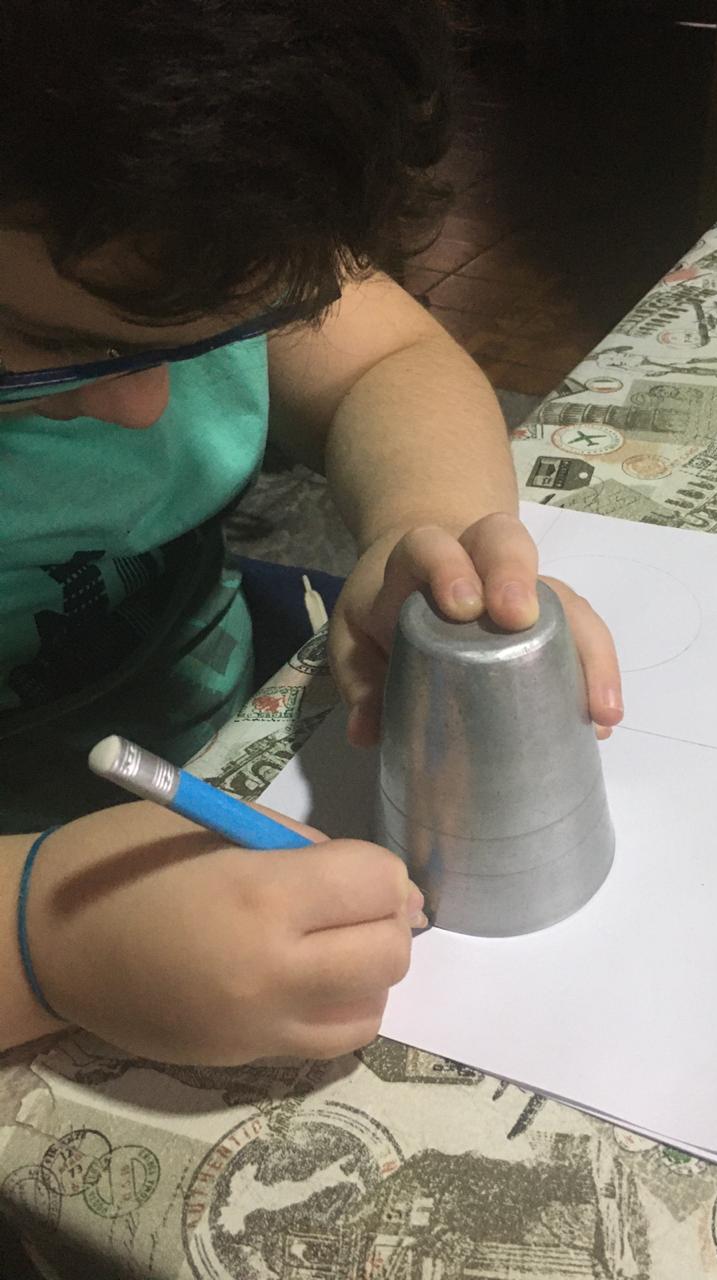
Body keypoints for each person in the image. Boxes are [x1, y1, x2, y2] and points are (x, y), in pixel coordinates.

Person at [0, 0, 622, 1066]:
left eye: (217, 338)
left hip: (221, 730)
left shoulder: (189, 226)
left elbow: (388, 360)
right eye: (40, 344)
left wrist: (424, 524)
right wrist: (34, 944)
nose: (145, 407)